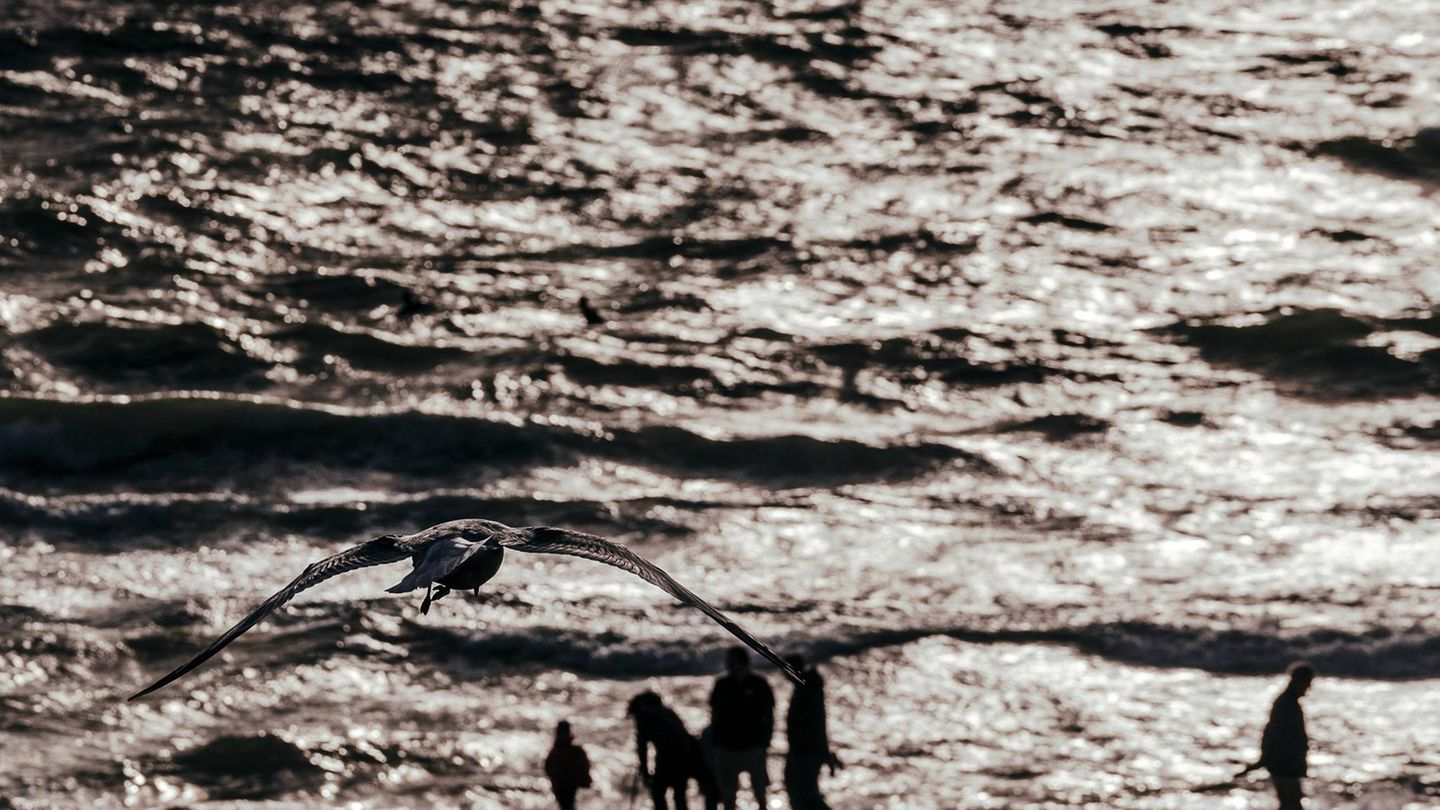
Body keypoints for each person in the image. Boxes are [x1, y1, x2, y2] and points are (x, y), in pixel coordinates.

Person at [1238, 662, 1315, 809]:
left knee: (1288, 804)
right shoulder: (1287, 704)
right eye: (1307, 683)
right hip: (1285, 764)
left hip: (1285, 764)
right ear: (1298, 680)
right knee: (1292, 804)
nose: (1309, 688)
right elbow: (1272, 732)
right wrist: (1266, 758)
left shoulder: (1288, 702)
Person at [709, 646, 775, 810]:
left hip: (753, 747)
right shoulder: (722, 684)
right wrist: (716, 742)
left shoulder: (759, 683)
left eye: (732, 661)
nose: (728, 665)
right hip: (727, 747)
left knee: (760, 794)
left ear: (742, 663)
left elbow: (769, 714)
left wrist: (766, 741)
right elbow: (714, 715)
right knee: (728, 796)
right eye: (728, 662)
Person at [629, 691, 718, 810]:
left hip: (670, 758)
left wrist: (645, 774)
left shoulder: (644, 716)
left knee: (658, 793)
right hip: (686, 756)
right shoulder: (667, 712)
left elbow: (642, 748)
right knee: (679, 795)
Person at [783, 653, 842, 810]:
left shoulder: (809, 688)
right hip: (802, 750)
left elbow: (815, 723)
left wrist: (823, 752)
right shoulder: (805, 688)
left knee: (806, 796)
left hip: (806, 751)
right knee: (801, 794)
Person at [544, 720, 592, 810]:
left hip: (561, 785)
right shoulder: (576, 751)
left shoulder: (556, 752)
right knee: (569, 805)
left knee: (566, 806)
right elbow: (585, 766)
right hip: (569, 784)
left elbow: (548, 768)